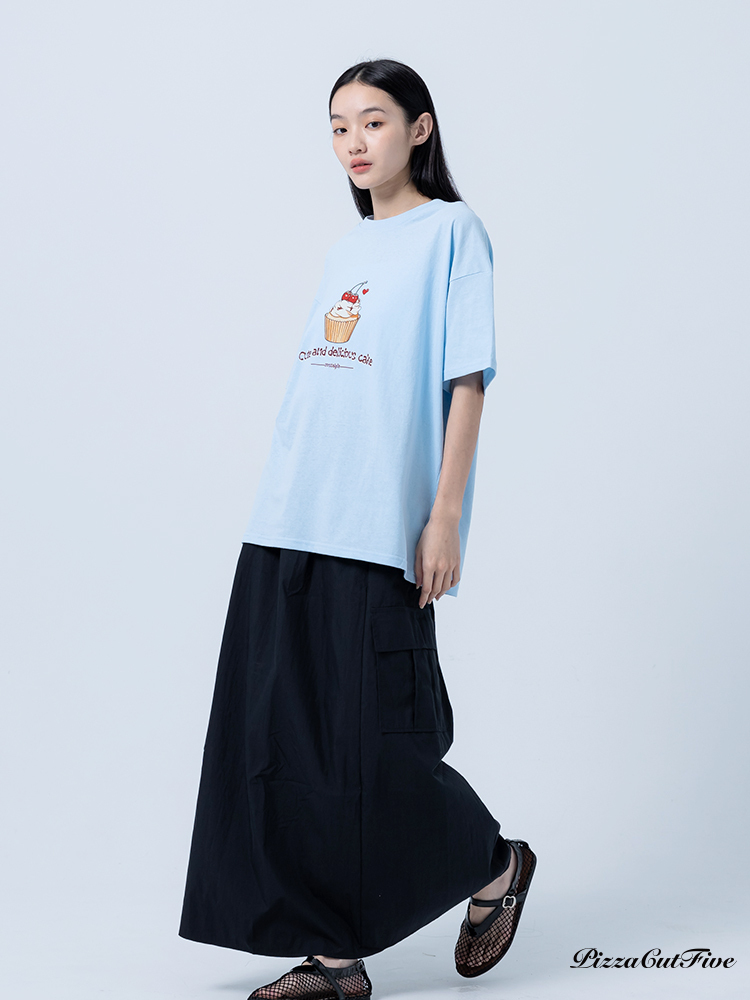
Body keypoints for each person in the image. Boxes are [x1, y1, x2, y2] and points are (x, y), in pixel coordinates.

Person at [178, 58, 537, 1000]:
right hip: (289, 514)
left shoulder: (453, 232)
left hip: (379, 525)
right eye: (338, 126)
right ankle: (336, 960)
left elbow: (467, 380)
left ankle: (496, 865)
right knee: (281, 742)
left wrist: (445, 515)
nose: (353, 142)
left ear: (419, 128)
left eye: (373, 121)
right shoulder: (348, 249)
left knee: (373, 744)